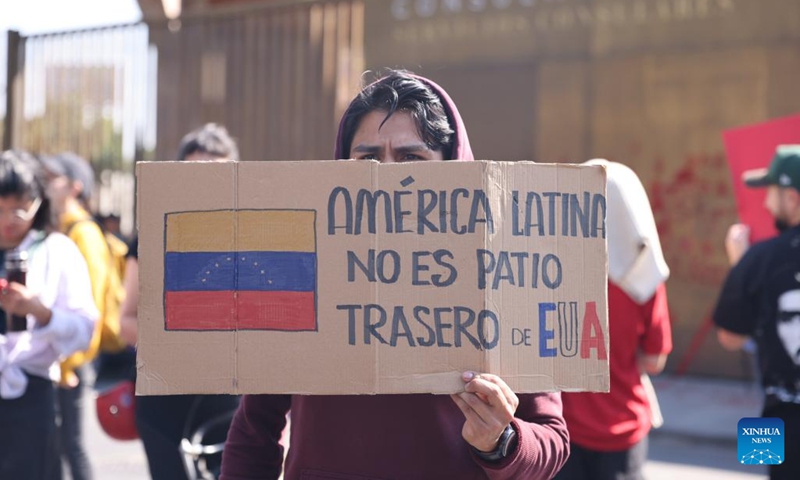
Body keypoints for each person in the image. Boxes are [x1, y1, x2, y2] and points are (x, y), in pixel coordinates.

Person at [220, 70, 570, 480]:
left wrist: (503, 441)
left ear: (453, 167)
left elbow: (553, 440)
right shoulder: (302, 272)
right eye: (367, 159)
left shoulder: (505, 278)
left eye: (411, 159)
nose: (386, 178)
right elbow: (254, 429)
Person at [121, 123, 242, 480]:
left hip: (227, 400)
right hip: (163, 402)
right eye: (194, 174)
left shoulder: (251, 234)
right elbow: (126, 320)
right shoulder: (151, 232)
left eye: (217, 175)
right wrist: (175, 341)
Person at [556, 160, 673, 480]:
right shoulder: (646, 283)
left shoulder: (550, 276)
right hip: (624, 431)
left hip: (564, 430)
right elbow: (654, 360)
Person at [0, 149, 98, 480]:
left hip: (31, 398)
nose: (6, 221)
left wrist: (41, 313)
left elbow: (86, 329)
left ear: (38, 202)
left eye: (17, 209)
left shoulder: (57, 250)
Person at [714, 145, 800, 480]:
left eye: (772, 193)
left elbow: (730, 338)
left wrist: (740, 264)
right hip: (774, 418)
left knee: (766, 469)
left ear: (792, 198)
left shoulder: (759, 259)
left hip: (777, 419)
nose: (766, 203)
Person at [42, 151, 122, 480]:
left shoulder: (84, 233)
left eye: (52, 178)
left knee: (71, 447)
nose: (45, 185)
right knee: (55, 448)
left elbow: (92, 308)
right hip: (58, 357)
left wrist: (69, 363)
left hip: (72, 360)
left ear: (75, 187)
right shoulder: (58, 227)